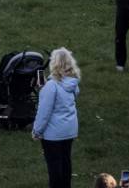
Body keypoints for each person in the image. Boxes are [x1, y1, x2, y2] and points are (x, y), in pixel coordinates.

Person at [31, 46, 80, 188]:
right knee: (66, 162)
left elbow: (44, 113)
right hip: (69, 130)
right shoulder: (72, 84)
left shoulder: (51, 86)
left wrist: (37, 131)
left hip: (53, 134)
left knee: (54, 167)